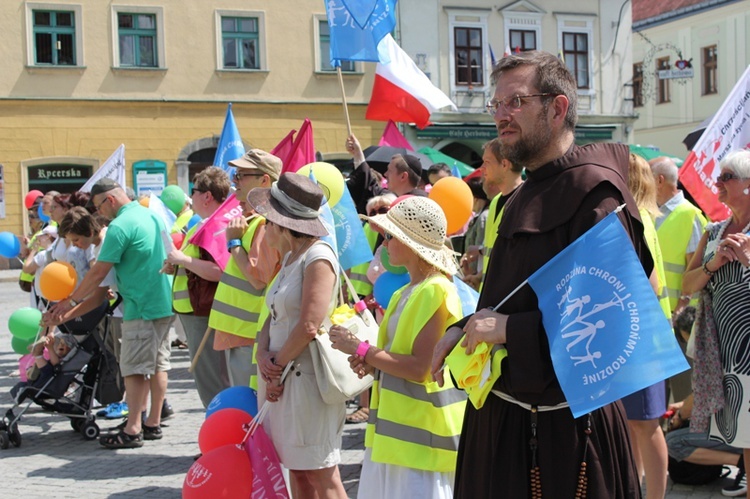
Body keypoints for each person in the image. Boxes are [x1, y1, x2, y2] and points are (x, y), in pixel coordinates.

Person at [431, 51, 650, 497]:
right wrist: (464, 327)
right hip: (503, 422)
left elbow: (610, 329)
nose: (501, 116)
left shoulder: (596, 195)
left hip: (564, 437)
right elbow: (511, 297)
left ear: (558, 107)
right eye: (496, 105)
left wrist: (510, 330)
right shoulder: (522, 193)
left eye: (515, 102)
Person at [329, 196, 466, 499]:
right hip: (396, 439)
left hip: (423, 445)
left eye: (390, 235)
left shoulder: (436, 290)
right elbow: (398, 356)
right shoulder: (408, 290)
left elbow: (420, 368)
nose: (384, 241)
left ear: (411, 243)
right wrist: (370, 360)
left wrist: (363, 351)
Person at [49, 178, 173, 449]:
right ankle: (152, 423)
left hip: (139, 304)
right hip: (163, 300)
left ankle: (133, 429)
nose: (99, 214)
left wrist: (70, 302)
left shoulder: (119, 225)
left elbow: (98, 273)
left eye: (98, 206)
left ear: (110, 200)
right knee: (158, 365)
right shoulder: (149, 214)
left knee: (134, 369)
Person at [248, 173, 347, 498]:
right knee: (298, 470)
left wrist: (274, 365)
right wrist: (263, 354)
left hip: (305, 380)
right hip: (282, 377)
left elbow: (309, 324)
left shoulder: (319, 257)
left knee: (321, 472)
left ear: (283, 222)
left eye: (268, 220)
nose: (263, 226)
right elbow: (274, 315)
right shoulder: (291, 257)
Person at [682, 150, 750, 499]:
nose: (717, 183)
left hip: (748, 349)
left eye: (727, 177)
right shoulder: (714, 231)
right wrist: (716, 262)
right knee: (744, 438)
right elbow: (687, 284)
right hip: (724, 353)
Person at [209, 150, 281, 391]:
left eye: (241, 175)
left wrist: (234, 243)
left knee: (248, 406)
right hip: (242, 332)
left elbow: (258, 279)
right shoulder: (255, 220)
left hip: (251, 335)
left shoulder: (265, 223)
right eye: (235, 175)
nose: (234, 181)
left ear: (264, 181)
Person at [622, 153, 670, 499]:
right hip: (645, 334)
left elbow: (647, 284)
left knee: (646, 423)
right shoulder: (638, 217)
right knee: (634, 423)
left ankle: (653, 495)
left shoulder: (635, 219)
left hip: (643, 336)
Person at [163, 167, 230, 408]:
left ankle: (222, 437)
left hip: (203, 314)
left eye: (194, 192)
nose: (190, 198)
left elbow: (219, 271)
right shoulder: (204, 223)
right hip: (196, 313)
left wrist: (181, 260)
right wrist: (177, 265)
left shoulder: (216, 225)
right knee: (209, 381)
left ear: (207, 196)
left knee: (212, 383)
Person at [460, 138, 523, 290]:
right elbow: (494, 254)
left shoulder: (526, 202)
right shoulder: (495, 202)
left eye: (487, 162)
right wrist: (480, 277)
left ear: (504, 164)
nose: (481, 168)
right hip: (491, 297)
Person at [650, 156, 707, 319]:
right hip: (658, 312)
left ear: (659, 181)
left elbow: (696, 267)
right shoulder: (652, 212)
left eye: (646, 178)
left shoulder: (690, 215)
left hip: (680, 316)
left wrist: (684, 302)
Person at [10, 331, 76, 401]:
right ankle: (36, 358)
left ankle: (37, 354)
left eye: (64, 344)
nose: (61, 345)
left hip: (51, 383)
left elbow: (56, 364)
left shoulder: (70, 359)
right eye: (60, 343)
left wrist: (50, 348)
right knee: (48, 368)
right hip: (49, 379)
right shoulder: (67, 358)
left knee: (49, 369)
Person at [460, 177, 489, 290]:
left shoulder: (484, 217)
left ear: (475, 198)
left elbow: (476, 254)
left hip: (475, 280)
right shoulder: (479, 216)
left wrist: (471, 275)